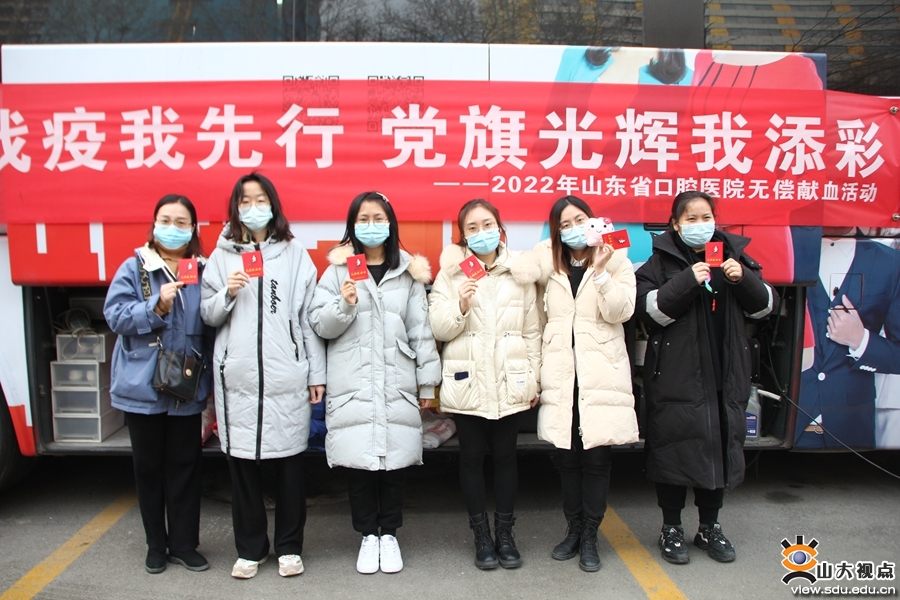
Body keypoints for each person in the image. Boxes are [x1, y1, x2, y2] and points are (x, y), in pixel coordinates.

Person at [635, 190, 778, 565]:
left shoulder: (735, 258)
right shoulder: (659, 264)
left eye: (706, 218)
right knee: (672, 450)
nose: (700, 225)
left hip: (724, 376)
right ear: (675, 224)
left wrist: (742, 278)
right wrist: (687, 280)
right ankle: (670, 527)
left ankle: (709, 527)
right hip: (676, 378)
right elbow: (649, 312)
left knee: (718, 450)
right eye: (691, 219)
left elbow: (766, 307)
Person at [200, 173, 325, 580]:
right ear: (235, 209)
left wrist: (316, 373)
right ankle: (250, 549)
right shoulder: (221, 256)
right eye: (245, 201)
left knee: (289, 468)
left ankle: (289, 547)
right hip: (238, 377)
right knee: (242, 468)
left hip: (285, 375)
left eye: (260, 200)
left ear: (273, 205)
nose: (253, 208)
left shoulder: (294, 253)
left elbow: (308, 319)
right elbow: (207, 314)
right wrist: (227, 293)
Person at [309, 191, 441, 575]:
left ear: (390, 223)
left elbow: (420, 331)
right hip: (354, 382)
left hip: (396, 380)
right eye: (363, 219)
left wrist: (427, 385)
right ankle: (368, 535)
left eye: (378, 218)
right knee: (360, 464)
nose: (371, 226)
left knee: (395, 463)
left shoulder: (409, 272)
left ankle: (390, 535)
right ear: (352, 226)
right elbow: (319, 324)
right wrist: (344, 304)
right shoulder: (337, 271)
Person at [104, 194, 214, 574]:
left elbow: (210, 326)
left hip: (186, 387)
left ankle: (184, 544)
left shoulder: (202, 270)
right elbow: (115, 316)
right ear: (154, 225)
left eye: (181, 222)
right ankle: (156, 544)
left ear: (193, 229)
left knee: (185, 466)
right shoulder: (135, 267)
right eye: (165, 221)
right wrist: (156, 307)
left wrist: (208, 382)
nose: (173, 228)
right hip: (142, 388)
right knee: (148, 468)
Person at [429, 199, 541, 570]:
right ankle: (481, 535)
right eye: (472, 228)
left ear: (500, 228)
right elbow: (438, 329)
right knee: (472, 458)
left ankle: (505, 535)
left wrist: (534, 378)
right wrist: (460, 306)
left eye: (487, 224)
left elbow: (532, 331)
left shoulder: (520, 273)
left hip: (511, 380)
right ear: (463, 235)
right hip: (468, 381)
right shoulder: (451, 275)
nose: (481, 233)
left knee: (507, 457)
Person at [532, 196, 638, 572]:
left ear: (595, 221)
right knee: (567, 458)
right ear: (556, 232)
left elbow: (621, 311)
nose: (574, 228)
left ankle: (591, 533)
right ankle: (573, 529)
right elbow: (539, 323)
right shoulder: (551, 269)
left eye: (580, 220)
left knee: (596, 458)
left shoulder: (617, 259)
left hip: (600, 375)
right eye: (565, 224)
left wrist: (602, 271)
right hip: (562, 377)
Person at [795, 232, 900, 450]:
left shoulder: (890, 262)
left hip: (851, 428)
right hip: (788, 422)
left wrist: (861, 341)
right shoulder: (791, 249)